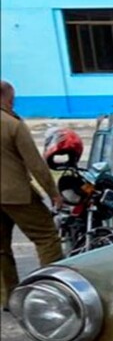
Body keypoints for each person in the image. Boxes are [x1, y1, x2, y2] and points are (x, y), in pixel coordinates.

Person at [1, 79, 64, 314]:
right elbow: (35, 164)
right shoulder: (12, 124)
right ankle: (54, 291)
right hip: (16, 194)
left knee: (1, 249)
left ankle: (8, 297)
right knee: (47, 237)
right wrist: (53, 193)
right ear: (8, 98)